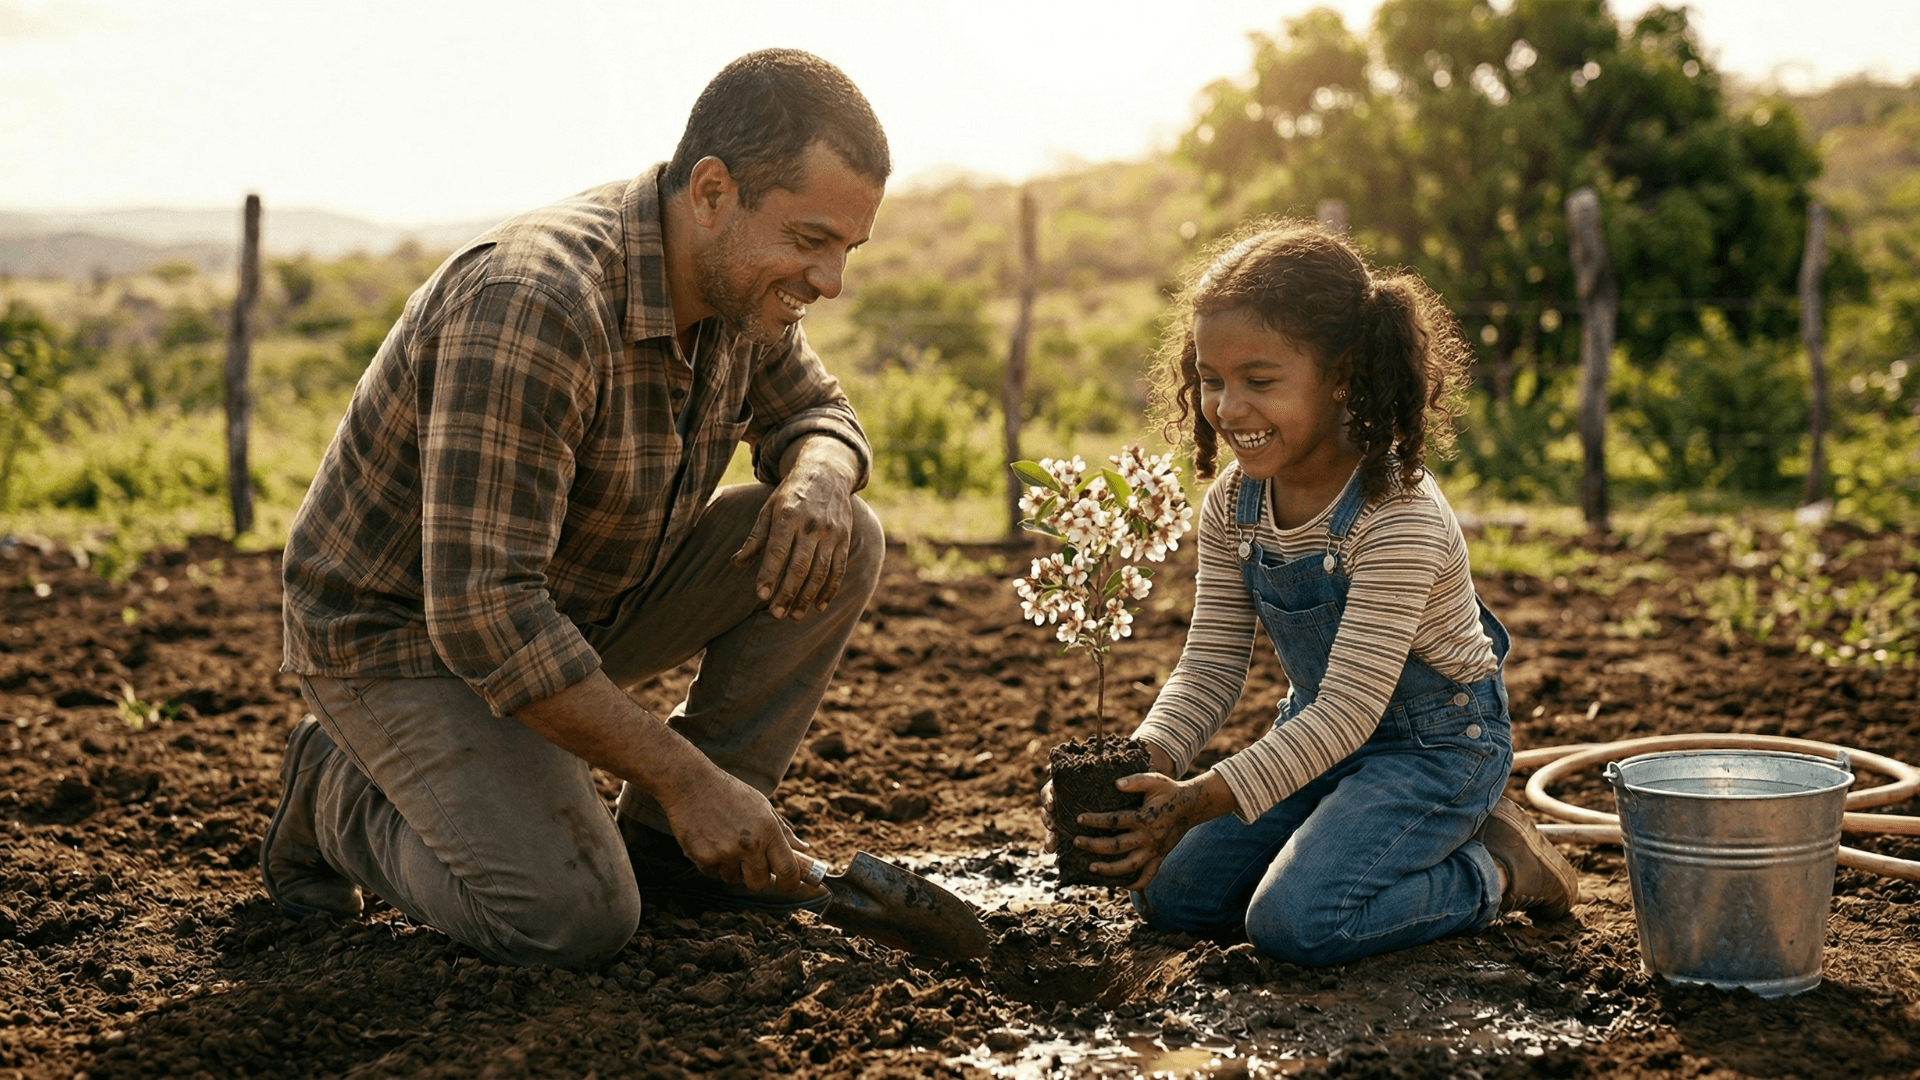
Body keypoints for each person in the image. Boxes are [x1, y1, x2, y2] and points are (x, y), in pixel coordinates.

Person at [260, 49, 891, 969]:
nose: (830, 281)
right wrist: (687, 776)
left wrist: (821, 475)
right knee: (569, 918)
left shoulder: (737, 290)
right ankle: (335, 794)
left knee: (846, 534)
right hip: (408, 640)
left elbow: (818, 415)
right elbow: (484, 614)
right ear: (712, 190)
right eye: (809, 240)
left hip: (577, 607)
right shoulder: (536, 302)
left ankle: (674, 853)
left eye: (847, 248)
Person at [1060, 219, 1579, 966]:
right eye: (1211, 379)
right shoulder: (1235, 503)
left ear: (1342, 373)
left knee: (1296, 924)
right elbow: (1209, 667)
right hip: (1319, 741)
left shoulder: (1395, 512)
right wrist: (1146, 766)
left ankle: (1495, 867)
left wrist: (1200, 799)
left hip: (1436, 751)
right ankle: (1345, 845)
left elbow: (1350, 708)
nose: (1228, 408)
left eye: (1260, 382)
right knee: (1171, 895)